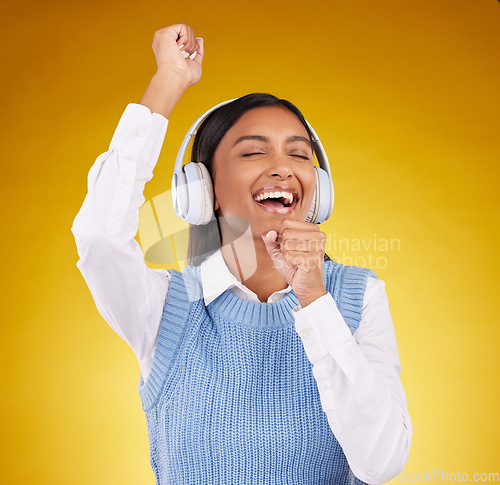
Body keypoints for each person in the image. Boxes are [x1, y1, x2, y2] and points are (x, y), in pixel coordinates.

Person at [71, 23, 412, 485]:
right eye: (253, 153)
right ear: (203, 190)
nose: (281, 168)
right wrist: (169, 80)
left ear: (320, 191)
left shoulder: (358, 297)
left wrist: (314, 299)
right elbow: (99, 237)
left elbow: (381, 462)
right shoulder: (165, 309)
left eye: (299, 155)